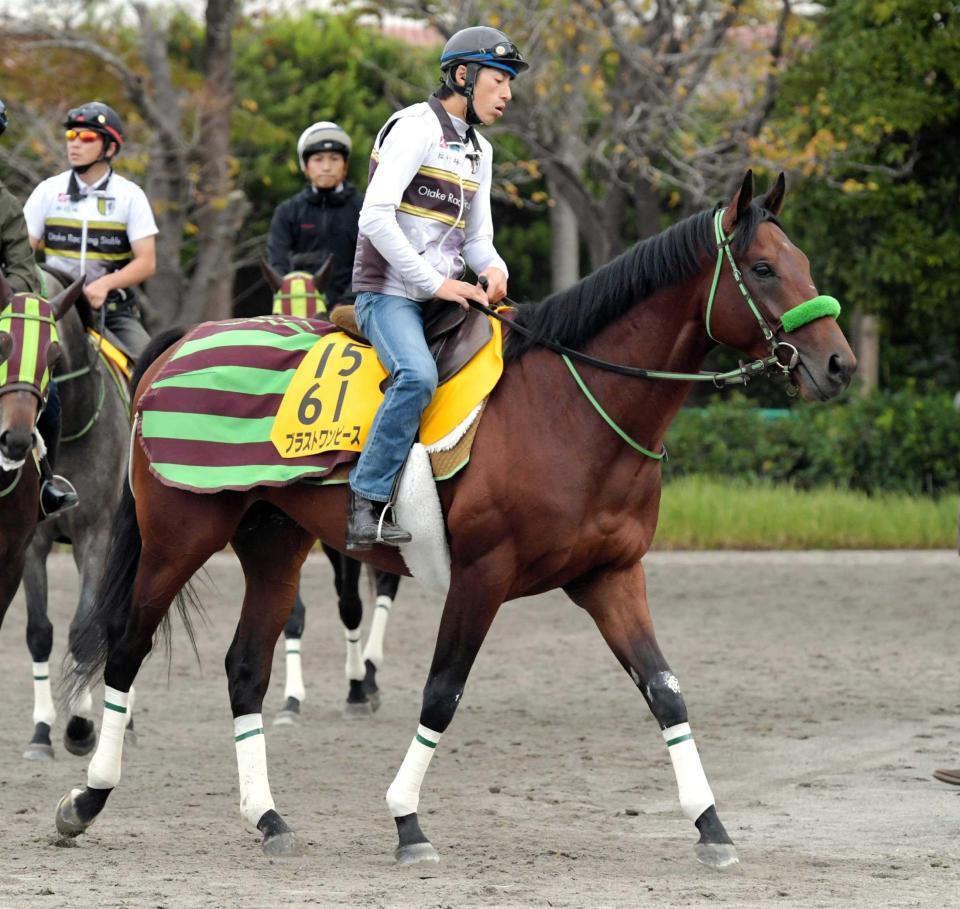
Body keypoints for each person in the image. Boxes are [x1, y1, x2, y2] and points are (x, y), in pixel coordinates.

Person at [347, 26, 527, 550]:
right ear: (464, 76)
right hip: (387, 295)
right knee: (418, 376)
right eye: (500, 80)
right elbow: (374, 217)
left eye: (510, 82)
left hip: (445, 293)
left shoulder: (480, 151)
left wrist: (494, 268)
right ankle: (366, 500)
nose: (508, 93)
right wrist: (438, 284)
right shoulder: (413, 127)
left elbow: (478, 238)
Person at [23, 101, 157, 360]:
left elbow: (147, 263)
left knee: (150, 373)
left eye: (86, 137)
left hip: (112, 310)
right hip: (53, 309)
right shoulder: (47, 191)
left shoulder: (131, 196)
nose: (74, 143)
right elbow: (22, 250)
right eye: (71, 135)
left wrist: (105, 284)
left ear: (110, 147)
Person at [0, 98, 75, 517]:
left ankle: (46, 483)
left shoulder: (6, 206)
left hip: (1, 326)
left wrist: (4, 295)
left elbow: (26, 273)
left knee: (53, 390)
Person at [267, 121, 363, 311]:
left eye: (334, 158)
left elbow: (371, 261)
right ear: (306, 166)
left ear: (345, 166)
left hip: (351, 308)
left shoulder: (365, 209)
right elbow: (277, 262)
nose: (326, 167)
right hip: (298, 307)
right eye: (318, 159)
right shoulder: (287, 211)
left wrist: (346, 301)